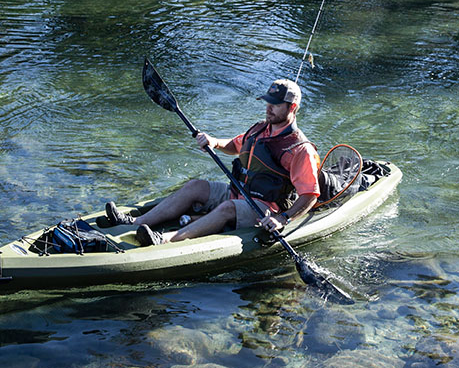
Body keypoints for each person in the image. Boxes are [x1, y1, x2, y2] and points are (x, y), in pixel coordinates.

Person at [104, 79, 321, 246]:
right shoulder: (259, 128)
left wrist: (282, 219)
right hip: (238, 192)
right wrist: (214, 142)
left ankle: (165, 239)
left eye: (275, 105)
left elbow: (309, 195)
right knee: (195, 185)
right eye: (267, 102)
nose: (268, 108)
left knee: (228, 207)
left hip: (263, 209)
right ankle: (134, 222)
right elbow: (235, 146)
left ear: (292, 108)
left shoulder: (300, 149)